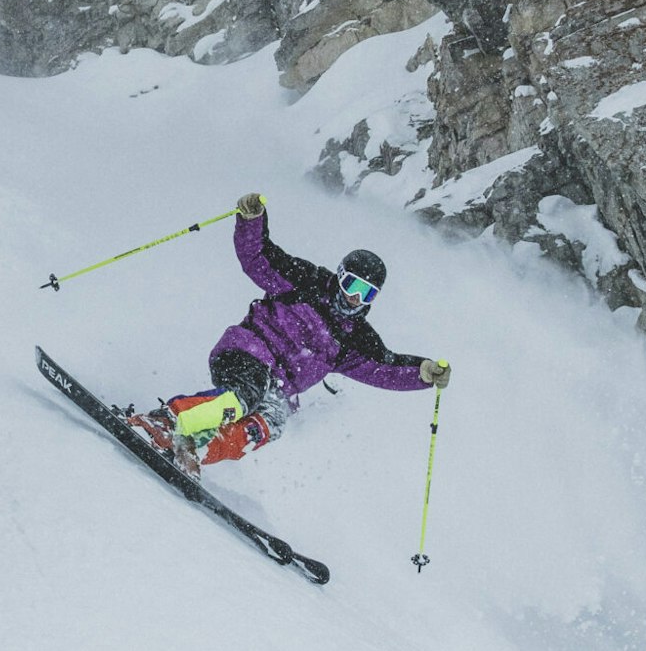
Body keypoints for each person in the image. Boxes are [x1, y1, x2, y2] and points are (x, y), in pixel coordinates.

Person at [127, 192, 447, 472]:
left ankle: (192, 448)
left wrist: (424, 373)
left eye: (367, 293)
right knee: (245, 395)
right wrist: (252, 220)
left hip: (279, 387)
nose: (355, 297)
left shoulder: (354, 339)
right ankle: (165, 421)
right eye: (352, 284)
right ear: (339, 276)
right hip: (248, 352)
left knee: (271, 423)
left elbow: (385, 367)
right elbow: (259, 257)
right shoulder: (305, 281)